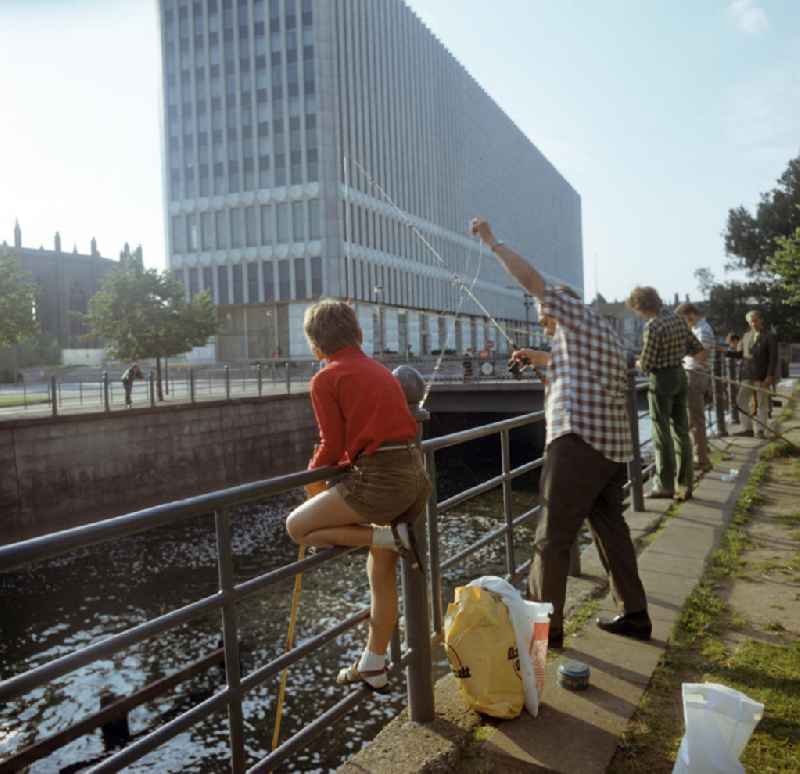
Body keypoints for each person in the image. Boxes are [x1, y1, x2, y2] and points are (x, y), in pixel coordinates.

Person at [471, 217, 651, 648]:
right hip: (611, 449)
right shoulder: (596, 333)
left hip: (578, 444)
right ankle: (634, 613)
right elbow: (573, 364)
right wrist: (539, 357)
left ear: (558, 308)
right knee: (611, 529)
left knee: (550, 538)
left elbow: (532, 280)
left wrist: (493, 242)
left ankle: (542, 632)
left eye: (543, 315)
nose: (542, 320)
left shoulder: (571, 314)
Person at [285, 299, 432, 691]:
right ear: (360, 335)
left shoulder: (326, 378)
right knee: (379, 573)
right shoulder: (380, 371)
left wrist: (313, 489)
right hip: (413, 478)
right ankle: (374, 663)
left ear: (316, 348)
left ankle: (385, 536)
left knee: (297, 526)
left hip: (379, 481)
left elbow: (330, 446)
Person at [627, 287, 703, 501]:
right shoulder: (678, 319)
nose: (638, 313)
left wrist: (635, 362)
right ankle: (686, 483)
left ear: (641, 306)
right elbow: (696, 347)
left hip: (661, 380)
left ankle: (664, 485)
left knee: (661, 434)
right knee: (681, 432)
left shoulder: (653, 325)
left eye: (636, 309)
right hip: (680, 375)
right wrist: (675, 352)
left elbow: (647, 363)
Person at [675, 303, 714, 473]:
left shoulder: (703, 330)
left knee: (695, 420)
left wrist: (680, 349)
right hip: (696, 375)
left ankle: (702, 459)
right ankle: (700, 453)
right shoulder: (700, 328)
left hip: (696, 376)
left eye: (684, 320)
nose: (684, 324)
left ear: (690, 315)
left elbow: (703, 355)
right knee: (692, 419)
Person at [732, 310, 778, 438]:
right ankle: (747, 429)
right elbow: (742, 355)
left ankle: (761, 431)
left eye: (755, 320)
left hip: (762, 375)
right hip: (747, 374)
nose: (753, 323)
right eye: (751, 321)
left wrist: (770, 376)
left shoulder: (770, 336)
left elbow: (773, 358)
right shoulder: (746, 336)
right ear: (748, 322)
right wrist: (724, 351)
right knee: (741, 400)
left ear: (761, 320)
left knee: (762, 403)